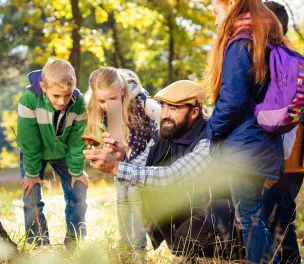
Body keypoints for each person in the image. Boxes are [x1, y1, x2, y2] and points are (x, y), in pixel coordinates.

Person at [84, 80, 228, 261]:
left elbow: (172, 176)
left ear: (194, 112)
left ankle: (220, 256)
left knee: (193, 227)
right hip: (188, 211)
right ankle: (187, 253)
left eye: (173, 109)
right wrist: (122, 158)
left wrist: (116, 167)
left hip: (218, 218)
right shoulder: (167, 133)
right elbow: (142, 168)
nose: (164, 114)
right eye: (163, 106)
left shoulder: (207, 140)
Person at [206, 0, 284, 262]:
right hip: (261, 143)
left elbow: (233, 98)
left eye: (217, 13)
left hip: (245, 146)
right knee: (252, 217)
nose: (217, 22)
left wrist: (212, 128)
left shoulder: (242, 44)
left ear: (230, 5)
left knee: (249, 218)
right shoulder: (266, 41)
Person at [85, 67, 159, 255]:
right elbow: (118, 140)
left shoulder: (141, 101)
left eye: (111, 99)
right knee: (122, 198)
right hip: (124, 156)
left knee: (135, 197)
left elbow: (162, 122)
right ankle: (125, 245)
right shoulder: (106, 105)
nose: (106, 105)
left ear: (122, 90)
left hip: (145, 155)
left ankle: (139, 250)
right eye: (101, 101)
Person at [17, 59, 88, 246]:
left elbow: (77, 140)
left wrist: (76, 171)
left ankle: (75, 241)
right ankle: (39, 242)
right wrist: (31, 174)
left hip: (64, 152)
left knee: (78, 193)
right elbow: (28, 140)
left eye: (67, 95)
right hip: (35, 154)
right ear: (43, 87)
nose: (62, 101)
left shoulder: (79, 103)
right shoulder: (28, 100)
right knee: (31, 199)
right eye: (56, 95)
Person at [263, 2, 303, 263]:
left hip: (285, 161)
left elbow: (285, 118)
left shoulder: (282, 60)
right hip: (289, 161)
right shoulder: (286, 57)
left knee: (277, 223)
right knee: (280, 221)